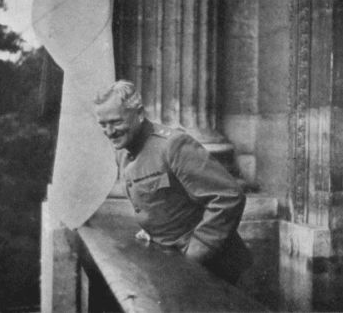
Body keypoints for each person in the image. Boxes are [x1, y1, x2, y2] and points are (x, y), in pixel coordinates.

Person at [93, 80, 252, 284]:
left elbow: (228, 197)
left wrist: (194, 254)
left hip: (214, 267)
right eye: (103, 124)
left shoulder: (173, 145)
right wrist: (153, 230)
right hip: (175, 264)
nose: (109, 131)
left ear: (139, 114)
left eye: (115, 122)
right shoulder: (124, 152)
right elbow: (164, 200)